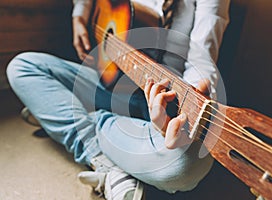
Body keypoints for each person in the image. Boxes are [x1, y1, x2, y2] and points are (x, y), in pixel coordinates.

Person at [6, 0, 230, 199]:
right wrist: (80, 15)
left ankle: (70, 114)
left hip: (154, 107)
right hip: (102, 79)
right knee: (22, 67)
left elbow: (202, 62)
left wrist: (184, 109)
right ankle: (103, 159)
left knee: (188, 167)